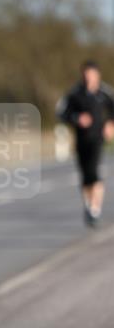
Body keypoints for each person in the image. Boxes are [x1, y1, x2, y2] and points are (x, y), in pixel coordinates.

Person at [56, 60, 114, 226]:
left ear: (97, 75)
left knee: (94, 173)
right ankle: (88, 205)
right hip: (81, 139)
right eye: (86, 75)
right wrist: (76, 118)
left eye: (91, 75)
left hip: (98, 138)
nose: (89, 78)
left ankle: (95, 209)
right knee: (85, 175)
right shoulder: (75, 94)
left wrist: (110, 124)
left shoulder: (105, 92)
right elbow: (62, 113)